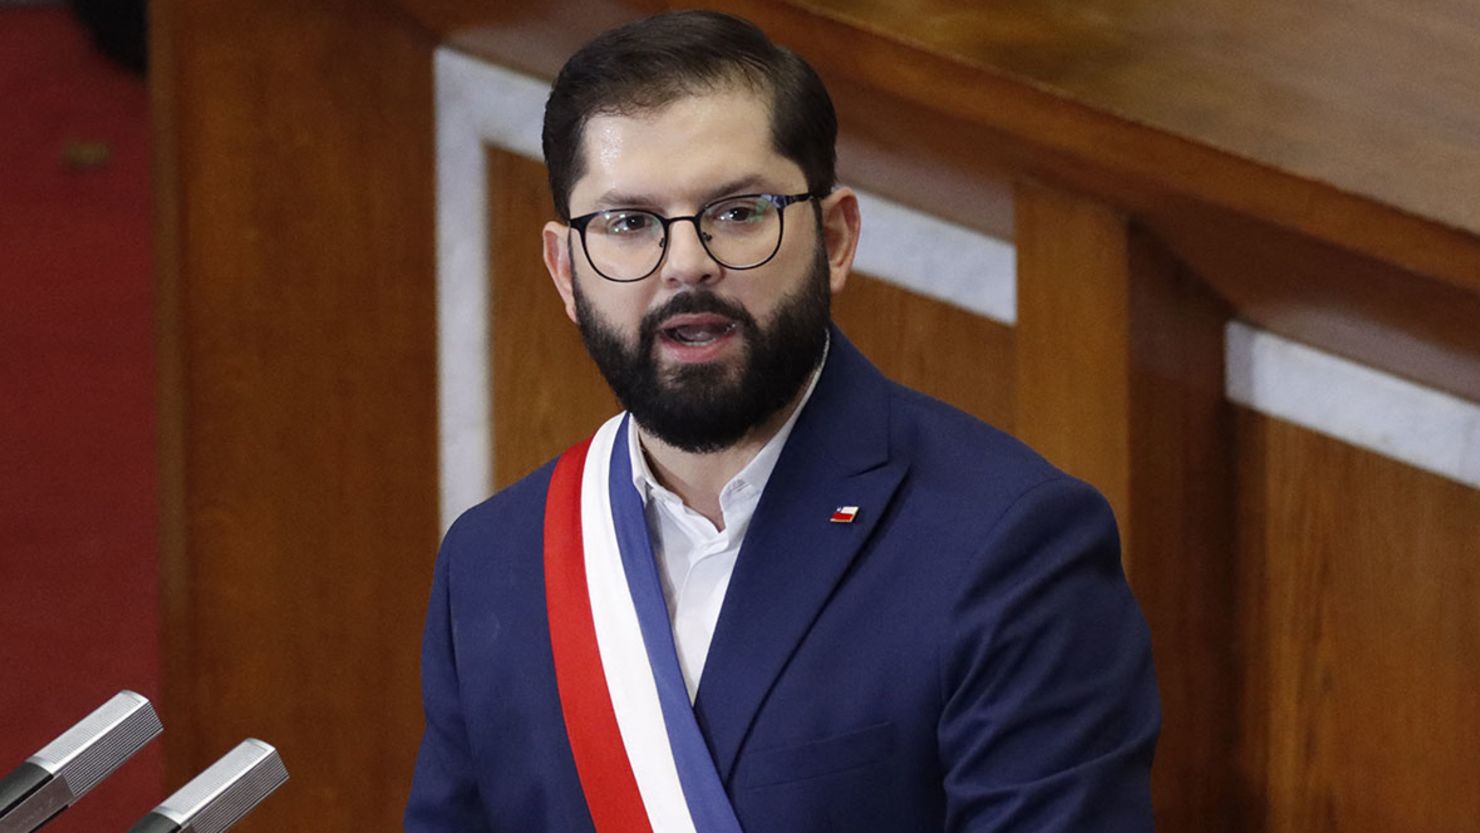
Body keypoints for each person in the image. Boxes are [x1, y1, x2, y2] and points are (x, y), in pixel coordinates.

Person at [405, 10, 1159, 833]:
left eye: (738, 212)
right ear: (565, 269)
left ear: (833, 238)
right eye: (628, 224)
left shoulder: (1011, 546)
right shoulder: (494, 562)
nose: (687, 263)